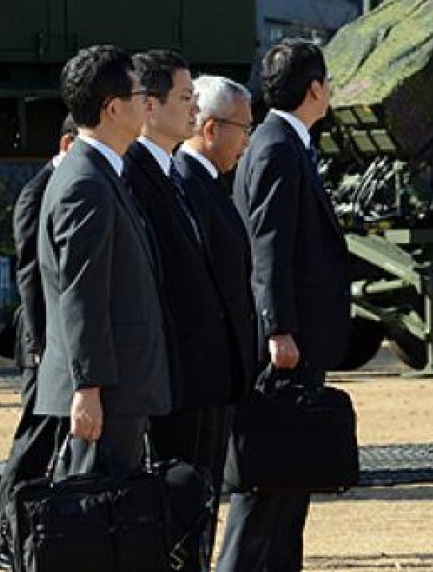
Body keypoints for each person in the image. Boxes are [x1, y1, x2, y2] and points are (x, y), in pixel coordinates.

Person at [220, 39, 350, 572]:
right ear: (315, 88)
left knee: (290, 474)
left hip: (295, 335)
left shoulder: (283, 142)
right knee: (269, 476)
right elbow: (267, 245)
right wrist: (279, 329)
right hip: (285, 344)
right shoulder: (277, 146)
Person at [123, 54, 252, 568]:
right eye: (184, 98)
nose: (192, 108)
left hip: (204, 369)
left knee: (197, 502)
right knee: (176, 502)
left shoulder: (171, 174)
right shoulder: (140, 173)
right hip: (177, 370)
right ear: (148, 107)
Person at [34, 45, 171, 472]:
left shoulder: (100, 171)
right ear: (112, 109)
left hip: (118, 387)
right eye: (137, 95)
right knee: (94, 517)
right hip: (107, 393)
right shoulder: (86, 182)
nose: (147, 104)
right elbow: (83, 294)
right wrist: (88, 387)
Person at [172, 75, 259, 560]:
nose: (247, 139)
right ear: (210, 128)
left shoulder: (207, 183)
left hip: (218, 369)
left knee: (205, 491)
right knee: (190, 492)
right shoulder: (185, 182)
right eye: (243, 127)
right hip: (198, 368)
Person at [0, 116, 77, 569]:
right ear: (67, 142)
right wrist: (41, 341)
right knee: (33, 443)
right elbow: (29, 273)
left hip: (60, 340)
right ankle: (2, 535)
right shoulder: (37, 191)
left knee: (53, 441)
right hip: (44, 342)